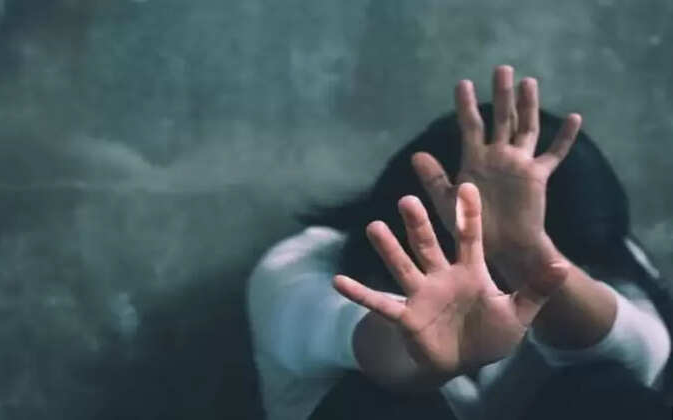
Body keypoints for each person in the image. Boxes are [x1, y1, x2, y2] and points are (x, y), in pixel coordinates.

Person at [246, 66, 672, 420]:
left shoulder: (592, 247)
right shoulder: (301, 264)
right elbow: (348, 331)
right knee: (376, 400)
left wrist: (524, 252)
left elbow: (643, 356)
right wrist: (424, 348)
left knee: (604, 387)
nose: (498, 287)